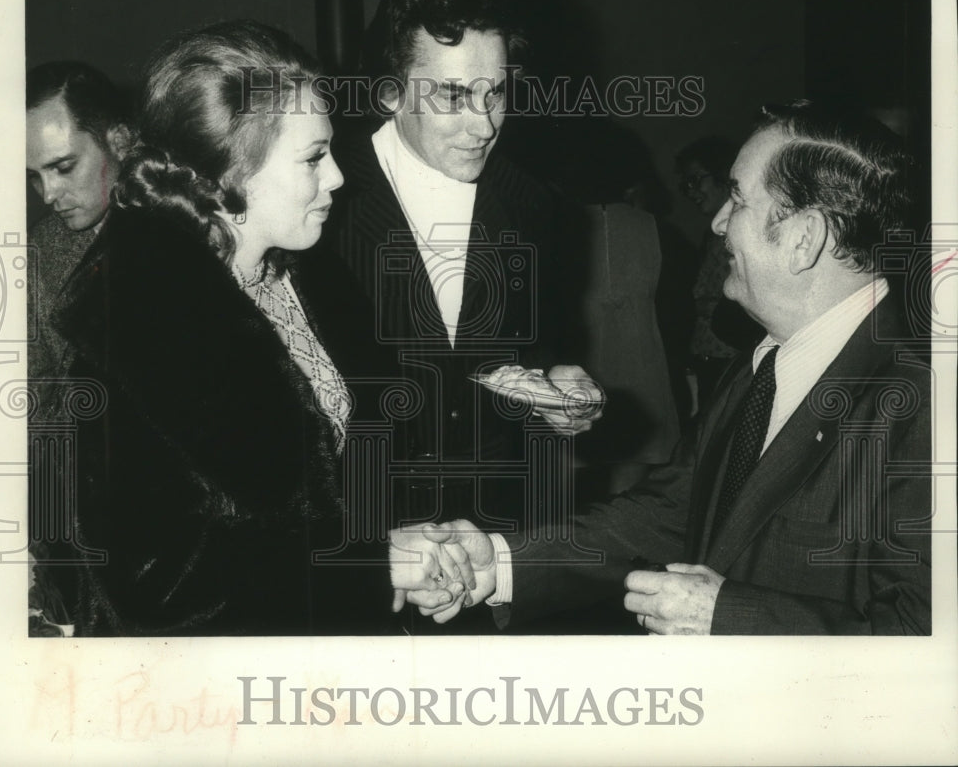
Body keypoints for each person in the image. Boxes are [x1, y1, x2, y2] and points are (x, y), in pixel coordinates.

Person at [391, 100, 932, 636]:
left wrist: (728, 618)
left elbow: (924, 636)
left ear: (803, 239)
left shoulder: (923, 405)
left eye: (738, 199)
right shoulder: (761, 366)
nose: (718, 222)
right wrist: (501, 564)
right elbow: (671, 512)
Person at [53, 21, 393, 636]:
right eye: (314, 157)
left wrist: (401, 544)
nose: (339, 177)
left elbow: (356, 472)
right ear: (227, 174)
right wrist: (371, 565)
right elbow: (156, 591)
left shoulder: (308, 278)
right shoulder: (131, 336)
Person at [303, 0, 603, 541]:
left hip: (494, 533)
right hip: (359, 535)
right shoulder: (321, 200)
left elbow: (532, 350)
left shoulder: (534, 206)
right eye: (452, 95)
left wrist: (557, 384)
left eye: (495, 92)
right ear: (390, 90)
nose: (484, 124)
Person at [26, 62, 132, 410]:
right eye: (34, 175)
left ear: (119, 142)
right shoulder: (39, 252)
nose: (47, 194)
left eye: (64, 167)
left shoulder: (198, 228)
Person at [676, 136, 763, 414]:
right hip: (708, 357)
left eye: (696, 180)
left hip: (732, 360)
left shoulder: (746, 235)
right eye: (685, 184)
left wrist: (702, 308)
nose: (690, 191)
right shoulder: (711, 236)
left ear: (723, 176)